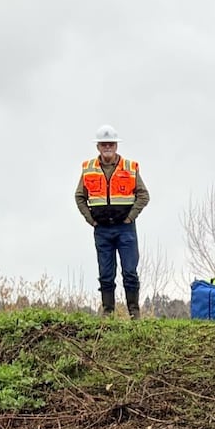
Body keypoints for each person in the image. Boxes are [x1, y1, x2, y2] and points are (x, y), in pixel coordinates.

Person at [75, 127, 150, 316]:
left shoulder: (129, 167)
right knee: (106, 275)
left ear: (116, 146)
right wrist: (90, 220)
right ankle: (107, 313)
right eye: (104, 144)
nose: (107, 147)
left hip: (125, 228)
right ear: (98, 147)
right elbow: (79, 197)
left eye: (111, 144)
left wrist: (130, 217)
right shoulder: (88, 168)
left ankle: (134, 313)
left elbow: (143, 195)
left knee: (130, 272)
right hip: (102, 229)